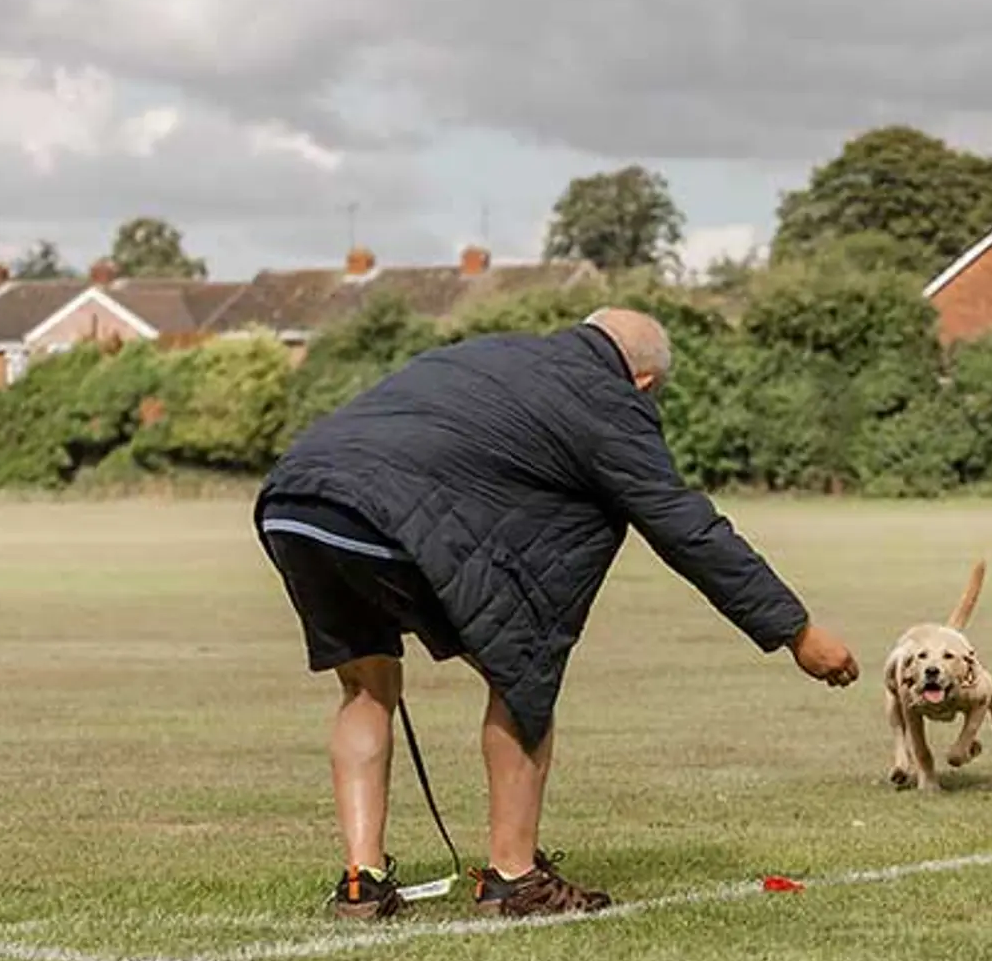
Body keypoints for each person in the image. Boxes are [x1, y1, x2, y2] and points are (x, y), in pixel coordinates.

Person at [253, 307, 860, 920]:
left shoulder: (492, 350)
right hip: (386, 516)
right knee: (522, 676)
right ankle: (515, 878)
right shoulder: (607, 397)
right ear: (645, 383)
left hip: (295, 502)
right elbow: (685, 527)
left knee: (365, 687)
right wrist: (795, 631)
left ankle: (363, 880)